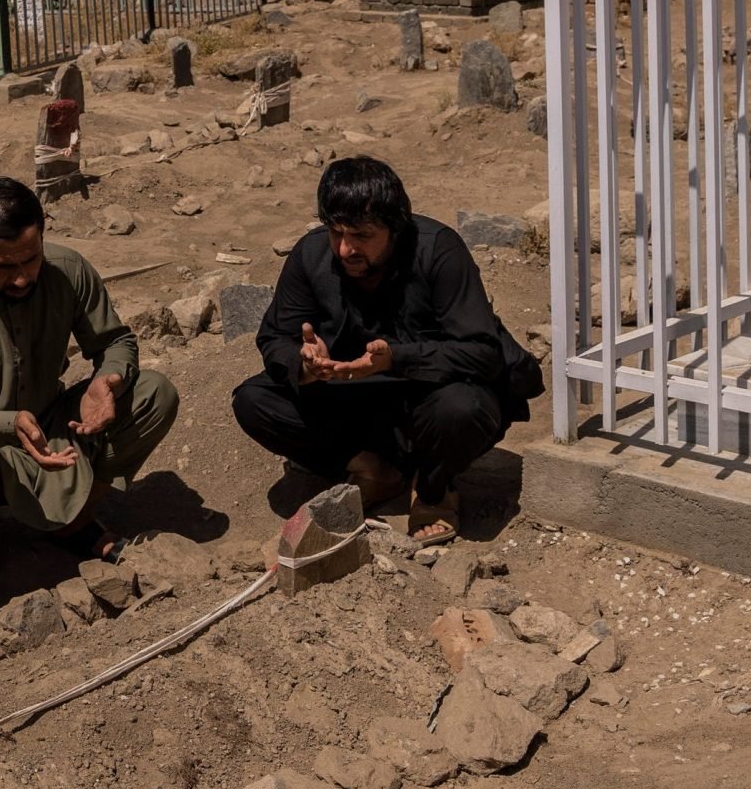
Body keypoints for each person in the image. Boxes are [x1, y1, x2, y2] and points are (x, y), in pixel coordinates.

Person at [232, 156, 541, 546]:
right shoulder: (311, 255)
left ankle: (432, 489)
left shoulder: (439, 252)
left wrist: (398, 358)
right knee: (253, 400)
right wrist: (305, 364)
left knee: (465, 408)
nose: (346, 249)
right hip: (355, 403)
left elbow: (483, 352)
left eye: (362, 235)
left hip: (428, 398)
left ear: (393, 228)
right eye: (336, 233)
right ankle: (374, 471)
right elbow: (275, 336)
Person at [0, 177, 178, 591]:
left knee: (155, 394)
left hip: (54, 426)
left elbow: (115, 341)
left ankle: (76, 516)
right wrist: (5, 424)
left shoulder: (68, 271)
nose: (21, 278)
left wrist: (107, 381)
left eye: (31, 260)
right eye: (4, 266)